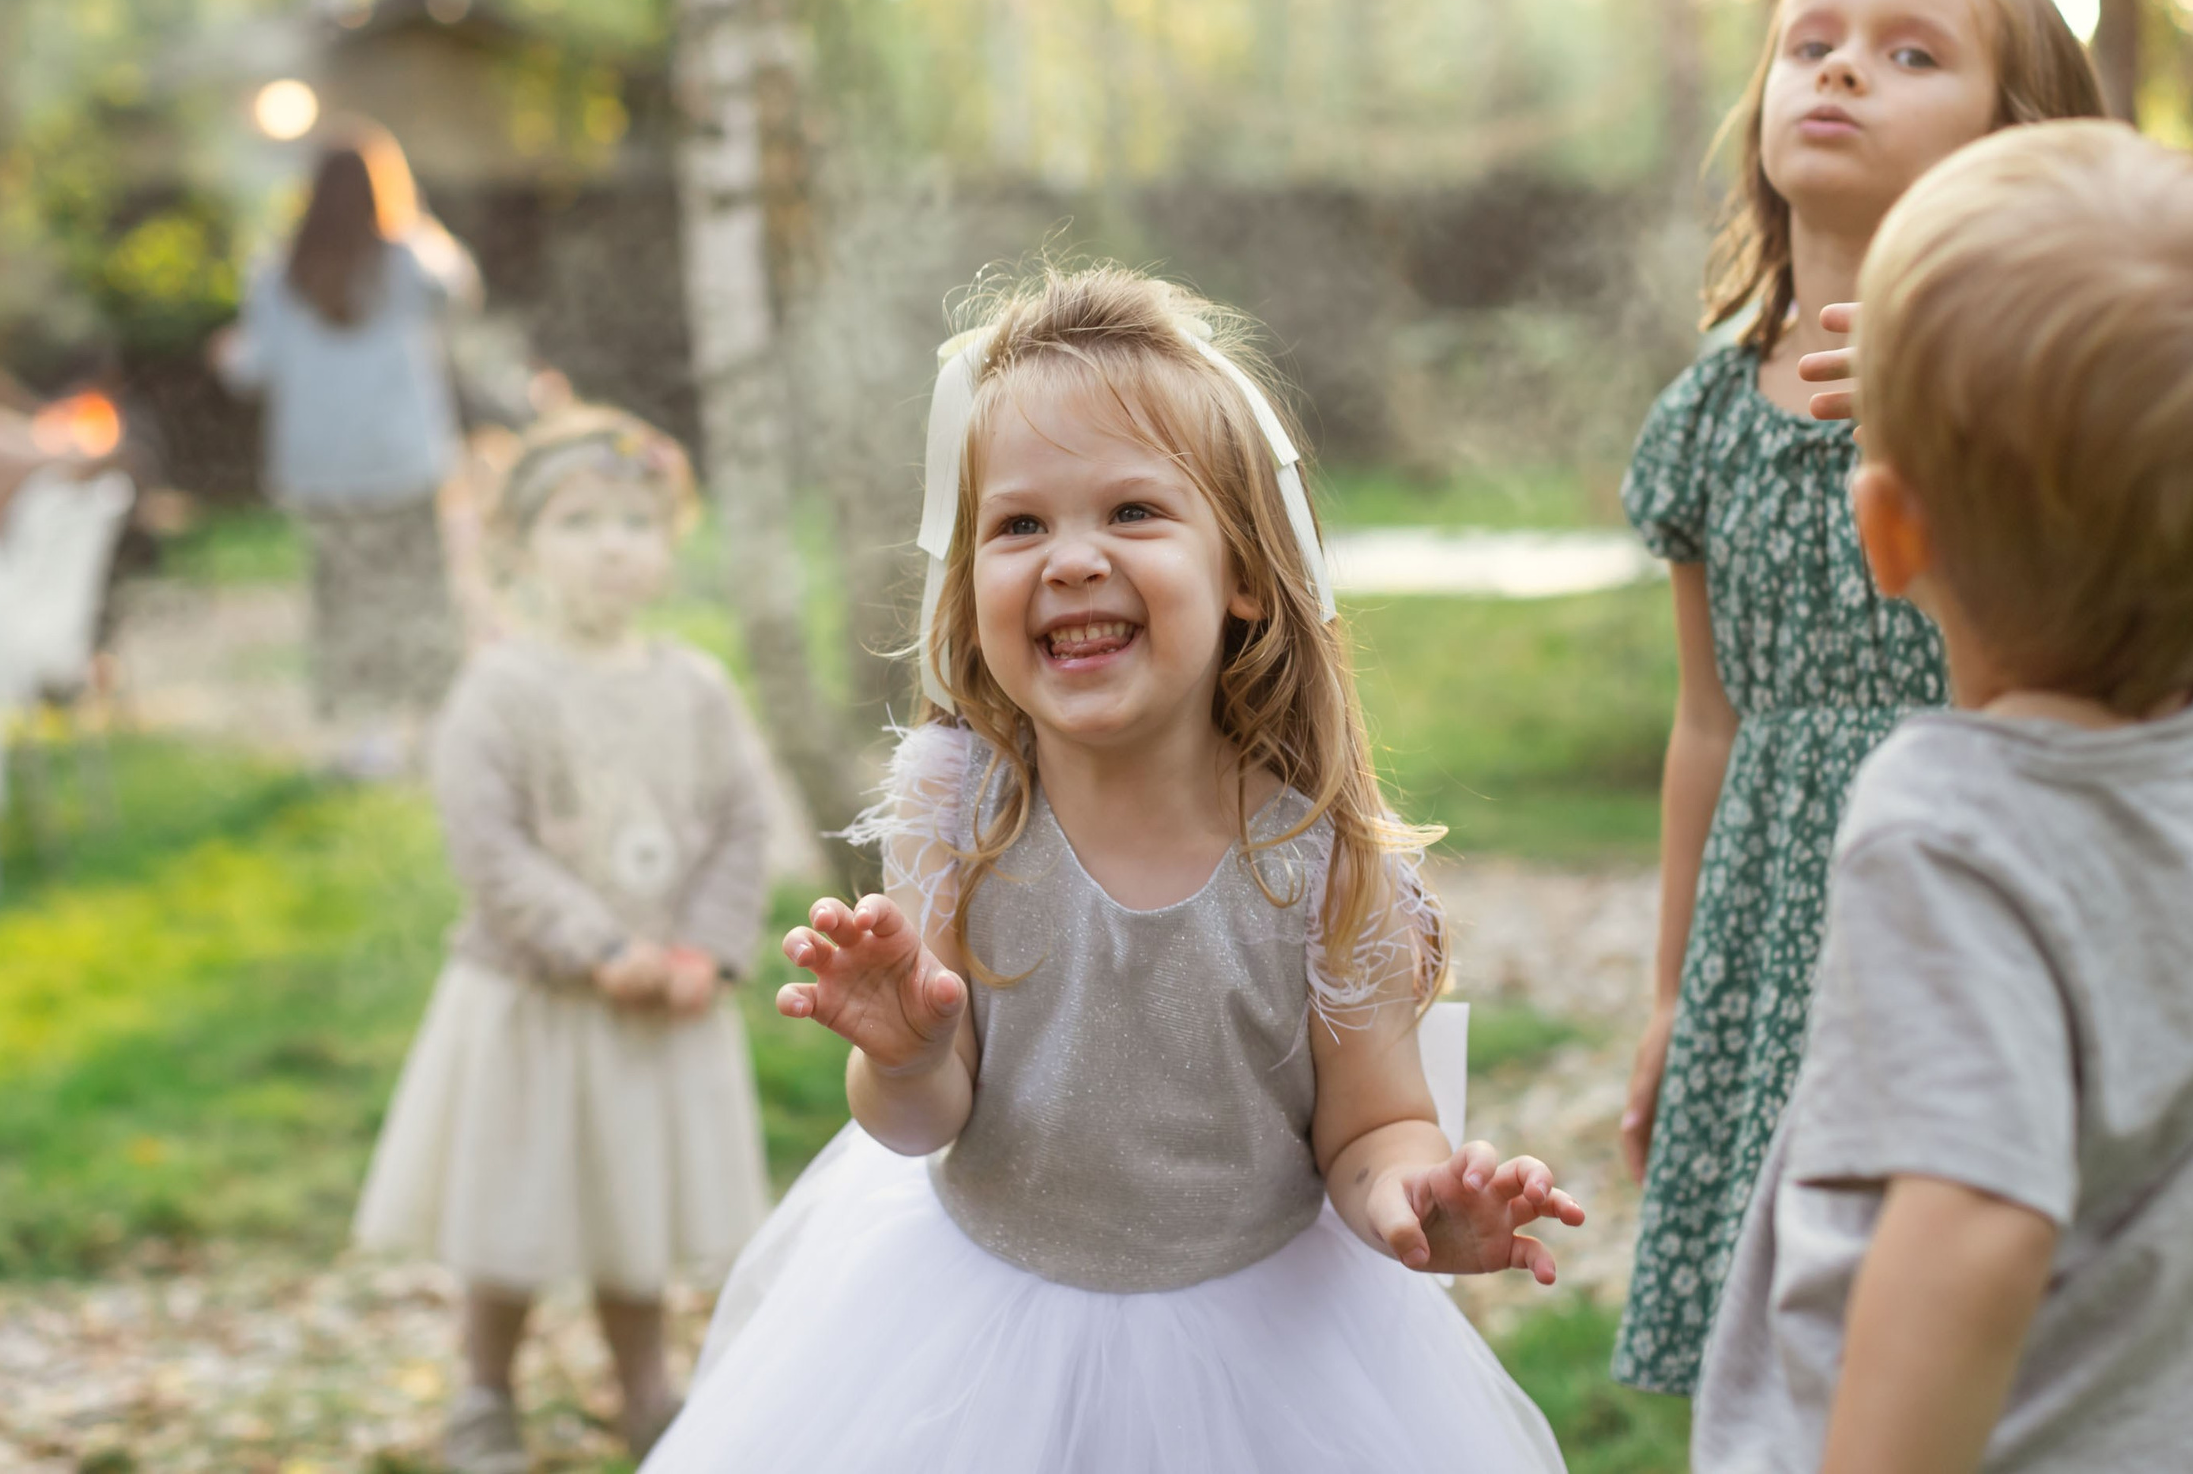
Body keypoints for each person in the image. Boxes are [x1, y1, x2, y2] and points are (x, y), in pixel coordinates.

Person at [645, 267, 1584, 1473]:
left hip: (1264, 1359)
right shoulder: (955, 814)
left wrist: (1413, 1196)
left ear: (1245, 576)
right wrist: (907, 1054)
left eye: (1132, 511)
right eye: (1018, 526)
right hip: (975, 1340)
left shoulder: (1320, 867)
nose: (1071, 559)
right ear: (966, 583)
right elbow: (921, 1124)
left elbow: (1374, 1127)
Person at [1692, 120, 2193, 1471]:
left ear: (1887, 531)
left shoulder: (1952, 832)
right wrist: (1972, 410)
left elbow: (1973, 1234)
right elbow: (2163, 472)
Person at [1608, 0, 2107, 1394]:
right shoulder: (1707, 412)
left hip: (1967, 890)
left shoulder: (2044, 389)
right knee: (1790, 1342)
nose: (1836, 70)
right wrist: (1674, 992)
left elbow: (2079, 657)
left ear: (2009, 138)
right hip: (1774, 925)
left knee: (1962, 1313)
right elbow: (1709, 723)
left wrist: (1952, 409)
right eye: (1808, 42)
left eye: (1909, 53)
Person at [352, 408, 777, 1473]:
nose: (610, 546)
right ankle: (485, 1391)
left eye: (635, 522)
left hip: (661, 1001)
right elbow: (489, 846)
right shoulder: (503, 689)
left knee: (633, 1208)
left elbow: (744, 822)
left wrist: (705, 947)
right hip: (540, 1002)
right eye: (579, 522)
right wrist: (595, 946)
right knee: (517, 1205)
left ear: (668, 544)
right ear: (520, 548)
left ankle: (648, 1392)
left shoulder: (696, 689)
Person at [215, 123, 476, 774]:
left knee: (346, 598)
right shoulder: (409, 258)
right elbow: (461, 292)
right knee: (419, 593)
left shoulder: (277, 270)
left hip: (321, 466)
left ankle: (369, 735)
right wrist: (420, 225)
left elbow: (253, 368)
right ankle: (434, 726)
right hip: (403, 458)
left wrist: (225, 354)